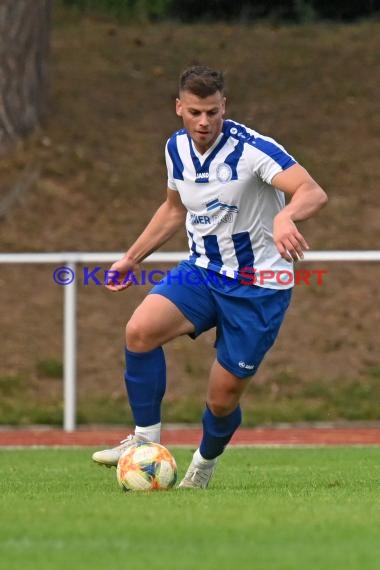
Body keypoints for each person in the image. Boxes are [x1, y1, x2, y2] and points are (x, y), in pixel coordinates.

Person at [92, 65, 327, 488]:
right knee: (139, 331)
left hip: (259, 287)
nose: (204, 122)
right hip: (202, 271)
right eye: (196, 112)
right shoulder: (176, 149)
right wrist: (132, 258)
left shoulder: (253, 149)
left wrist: (287, 216)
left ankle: (203, 466)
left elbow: (311, 190)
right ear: (179, 108)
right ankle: (144, 442)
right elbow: (173, 210)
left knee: (222, 399)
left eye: (213, 112)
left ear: (225, 107)